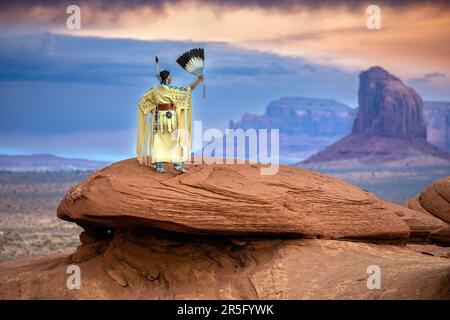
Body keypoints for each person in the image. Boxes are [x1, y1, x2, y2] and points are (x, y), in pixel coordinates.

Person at [136, 69, 203, 173]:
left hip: (159, 117)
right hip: (170, 117)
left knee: (159, 140)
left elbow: (143, 101)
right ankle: (177, 163)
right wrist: (198, 81)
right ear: (166, 78)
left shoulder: (154, 90)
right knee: (174, 139)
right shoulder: (171, 90)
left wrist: (152, 109)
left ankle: (159, 165)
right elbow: (187, 90)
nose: (171, 78)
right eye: (170, 76)